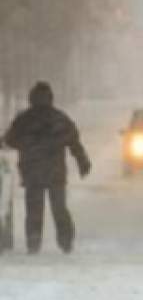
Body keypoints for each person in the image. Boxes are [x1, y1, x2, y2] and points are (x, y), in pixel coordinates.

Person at [1, 81, 91, 254]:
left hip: (32, 172)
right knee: (59, 208)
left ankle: (33, 241)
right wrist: (82, 162)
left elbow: (10, 140)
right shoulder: (59, 118)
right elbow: (74, 142)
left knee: (34, 209)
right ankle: (65, 241)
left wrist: (24, 145)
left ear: (31, 98)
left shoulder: (24, 120)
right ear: (51, 98)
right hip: (55, 172)